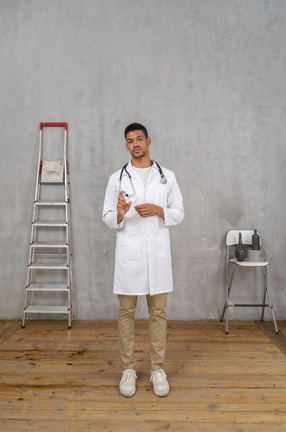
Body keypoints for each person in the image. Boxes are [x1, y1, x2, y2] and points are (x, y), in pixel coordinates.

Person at [102, 123, 184, 397]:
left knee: (158, 314)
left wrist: (160, 210)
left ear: (148, 141)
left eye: (139, 139)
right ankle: (128, 369)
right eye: (129, 140)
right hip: (130, 258)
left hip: (158, 257)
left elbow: (179, 212)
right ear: (126, 146)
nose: (135, 144)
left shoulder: (167, 177)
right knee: (126, 314)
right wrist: (121, 213)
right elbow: (106, 218)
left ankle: (157, 369)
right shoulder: (118, 178)